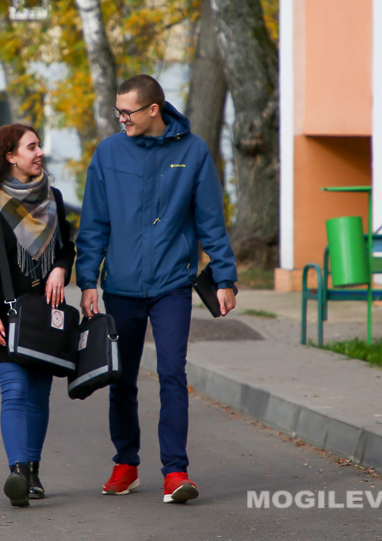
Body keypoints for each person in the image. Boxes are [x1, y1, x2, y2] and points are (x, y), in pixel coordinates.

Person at [75, 74, 237, 504]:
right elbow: (94, 224)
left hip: (172, 283)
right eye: (117, 111)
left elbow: (211, 222)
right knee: (121, 377)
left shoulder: (193, 152)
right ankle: (126, 463)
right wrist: (87, 280)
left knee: (171, 374)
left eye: (127, 111)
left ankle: (176, 472)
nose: (120, 118)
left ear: (153, 110)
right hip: (121, 286)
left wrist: (225, 277)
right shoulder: (109, 153)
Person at [0, 123, 76, 508]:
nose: (39, 152)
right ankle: (17, 472)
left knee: (38, 396)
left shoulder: (54, 198)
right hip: (5, 313)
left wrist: (62, 267)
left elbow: (67, 246)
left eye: (39, 146)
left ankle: (32, 469)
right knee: (13, 391)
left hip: (45, 314)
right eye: (31, 147)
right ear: (11, 156)